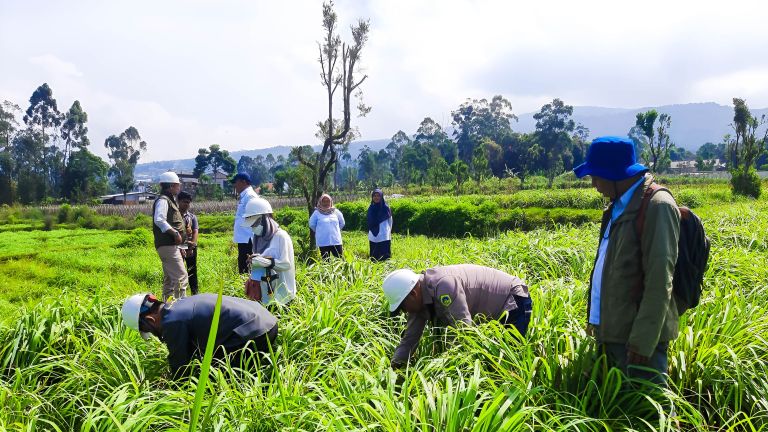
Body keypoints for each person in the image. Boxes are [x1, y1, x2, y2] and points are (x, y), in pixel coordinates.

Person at [573, 136, 680, 386]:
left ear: (616, 175)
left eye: (596, 177)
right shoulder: (616, 206)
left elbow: (660, 279)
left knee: (648, 414)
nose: (594, 185)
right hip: (613, 331)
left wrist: (643, 340)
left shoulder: (657, 206)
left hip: (638, 341)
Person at [382, 264, 533, 369]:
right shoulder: (418, 300)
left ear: (413, 294)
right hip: (492, 311)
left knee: (508, 361)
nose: (404, 311)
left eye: (402, 307)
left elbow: (464, 331)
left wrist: (447, 366)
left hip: (513, 301)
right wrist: (394, 367)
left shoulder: (444, 286)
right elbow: (410, 338)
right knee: (492, 362)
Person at [122, 293, 278, 378]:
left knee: (218, 375)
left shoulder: (172, 321)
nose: (152, 334)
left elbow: (181, 367)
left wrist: (171, 392)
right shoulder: (179, 304)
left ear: (150, 319)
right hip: (266, 321)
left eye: (148, 330)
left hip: (257, 332)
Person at [241, 197, 296, 306]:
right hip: (263, 295)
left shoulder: (281, 237)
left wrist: (265, 262)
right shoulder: (256, 238)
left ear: (265, 220)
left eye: (255, 224)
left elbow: (286, 264)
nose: (252, 228)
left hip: (281, 296)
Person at [152, 171, 189, 301]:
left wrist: (180, 245)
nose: (179, 187)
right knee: (181, 277)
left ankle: (166, 307)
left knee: (169, 279)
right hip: (168, 245)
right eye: (178, 185)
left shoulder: (168, 200)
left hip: (171, 245)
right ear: (171, 186)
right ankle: (181, 309)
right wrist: (175, 233)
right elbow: (159, 219)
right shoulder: (163, 200)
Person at [232, 173, 259, 274]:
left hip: (248, 239)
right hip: (244, 238)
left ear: (243, 182)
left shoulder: (250, 196)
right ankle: (244, 288)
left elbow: (254, 218)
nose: (234, 185)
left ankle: (248, 288)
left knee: (246, 268)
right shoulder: (245, 196)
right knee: (243, 266)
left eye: (236, 182)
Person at [309, 193, 345, 259]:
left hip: (336, 240)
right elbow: (312, 224)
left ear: (331, 202)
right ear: (320, 202)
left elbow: (342, 223)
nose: (326, 203)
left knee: (340, 260)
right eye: (324, 201)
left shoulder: (336, 212)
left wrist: (336, 230)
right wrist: (320, 231)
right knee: (326, 262)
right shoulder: (317, 213)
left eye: (328, 201)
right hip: (323, 241)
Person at [178, 191, 199, 295]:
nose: (186, 204)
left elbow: (195, 231)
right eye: (184, 202)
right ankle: (180, 294)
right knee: (179, 271)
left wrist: (192, 246)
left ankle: (195, 293)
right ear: (178, 202)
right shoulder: (174, 216)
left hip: (190, 246)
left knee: (192, 271)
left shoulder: (192, 217)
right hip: (178, 247)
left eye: (188, 202)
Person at [367, 188, 392, 261]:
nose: (376, 197)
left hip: (384, 235)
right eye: (374, 196)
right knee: (374, 257)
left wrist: (388, 232)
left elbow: (390, 221)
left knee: (385, 256)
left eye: (378, 196)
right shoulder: (371, 208)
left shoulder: (386, 208)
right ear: (372, 197)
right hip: (373, 236)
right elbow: (369, 222)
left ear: (381, 197)